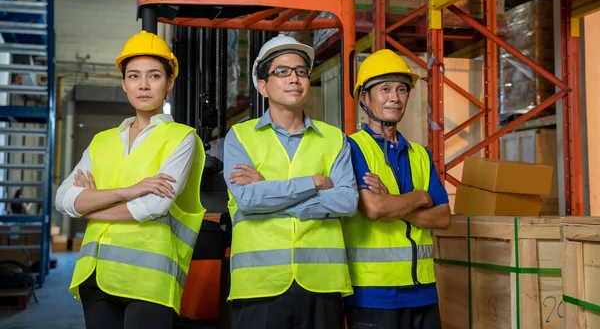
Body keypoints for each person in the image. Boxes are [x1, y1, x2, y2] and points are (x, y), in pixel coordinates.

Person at [55, 30, 206, 329]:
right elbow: (63, 198)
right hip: (95, 275)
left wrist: (91, 208)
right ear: (124, 83)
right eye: (134, 76)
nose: (144, 85)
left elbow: (153, 206)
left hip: (149, 278)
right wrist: (130, 190)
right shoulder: (102, 141)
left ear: (170, 82)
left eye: (154, 76)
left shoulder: (181, 138)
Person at [222, 34, 359, 329]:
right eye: (282, 72)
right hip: (260, 283)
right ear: (263, 86)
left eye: (300, 71)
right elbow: (247, 199)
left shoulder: (334, 139)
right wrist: (313, 182)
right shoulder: (240, 137)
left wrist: (268, 191)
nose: (294, 79)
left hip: (322, 283)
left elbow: (347, 202)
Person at [342, 49, 451, 329]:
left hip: (424, 291)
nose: (395, 97)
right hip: (374, 293)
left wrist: (395, 201)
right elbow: (375, 209)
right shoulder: (352, 148)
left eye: (402, 89)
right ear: (364, 97)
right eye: (385, 89)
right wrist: (420, 197)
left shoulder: (420, 155)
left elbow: (443, 218)